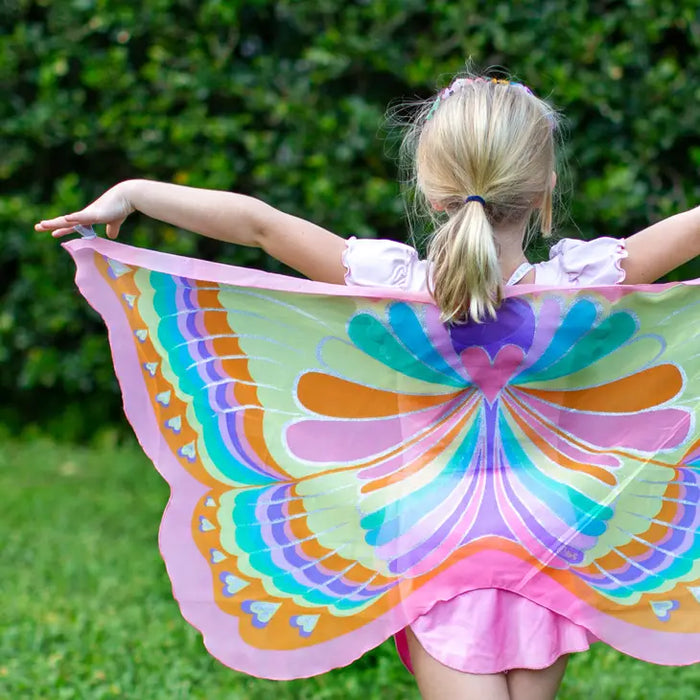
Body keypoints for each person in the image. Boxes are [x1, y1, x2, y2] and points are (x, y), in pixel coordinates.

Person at [36, 74, 700, 700]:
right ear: (546, 185)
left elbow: (260, 226)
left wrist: (135, 192)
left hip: (432, 548)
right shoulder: (588, 284)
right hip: (560, 537)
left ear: (431, 187)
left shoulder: (395, 286)